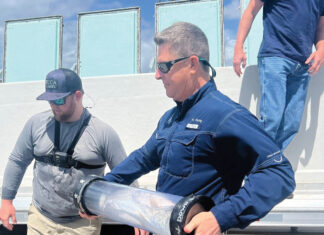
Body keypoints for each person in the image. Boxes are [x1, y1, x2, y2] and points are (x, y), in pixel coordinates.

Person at [96, 22, 295, 234]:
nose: (156, 75)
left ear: (192, 64)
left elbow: (279, 173)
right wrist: (101, 190)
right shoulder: (170, 118)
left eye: (163, 66)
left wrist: (221, 217)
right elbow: (144, 158)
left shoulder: (226, 115)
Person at [0, 68, 127, 235]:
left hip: (82, 224)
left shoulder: (102, 133)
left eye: (59, 100)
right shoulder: (36, 124)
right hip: (40, 219)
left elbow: (125, 175)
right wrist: (6, 200)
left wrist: (135, 215)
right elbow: (18, 160)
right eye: (50, 101)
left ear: (78, 95)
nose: (53, 106)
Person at [233, 0, 324, 150]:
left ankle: (268, 164)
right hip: (275, 56)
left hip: (303, 65)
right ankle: (253, 165)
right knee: (271, 120)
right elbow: (251, 10)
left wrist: (321, 49)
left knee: (291, 124)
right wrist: (238, 47)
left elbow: (321, 26)